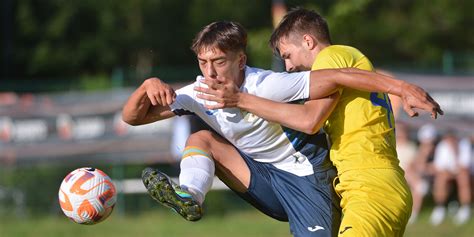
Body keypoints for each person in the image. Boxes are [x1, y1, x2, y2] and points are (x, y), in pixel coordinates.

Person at [122, 21, 441, 236]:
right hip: (265, 180)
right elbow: (133, 118)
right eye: (203, 63)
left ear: (240, 60)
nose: (209, 71)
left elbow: (339, 76)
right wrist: (146, 86)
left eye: (218, 62)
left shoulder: (268, 84)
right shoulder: (198, 92)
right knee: (201, 139)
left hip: (308, 181)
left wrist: (402, 87)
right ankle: (189, 194)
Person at [429, 130, 472, 226]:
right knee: (441, 178)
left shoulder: (464, 145)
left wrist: (455, 152)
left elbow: (464, 166)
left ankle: (465, 207)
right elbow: (439, 167)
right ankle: (440, 207)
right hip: (449, 173)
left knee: (463, 177)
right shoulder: (442, 146)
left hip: (463, 173)